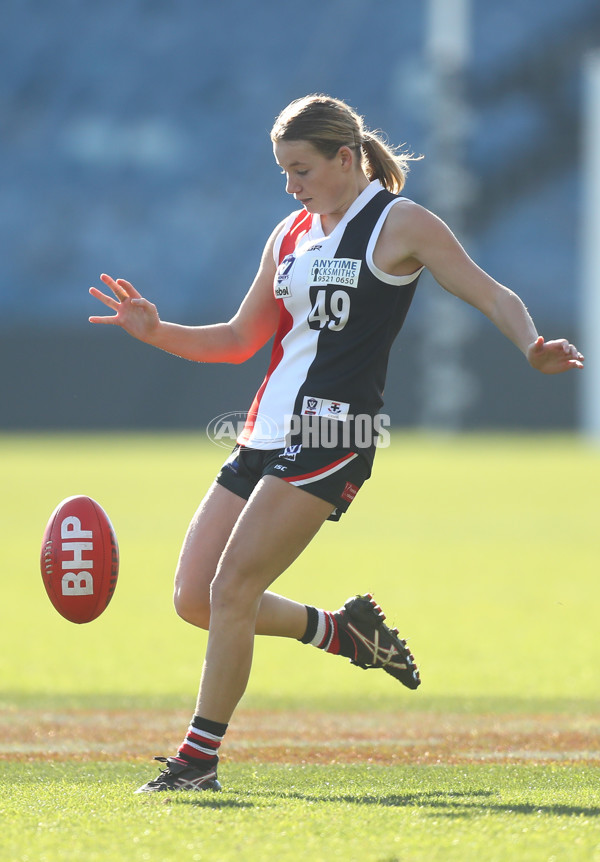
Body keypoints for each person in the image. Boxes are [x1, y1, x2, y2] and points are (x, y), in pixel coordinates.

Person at [89, 94, 584, 793]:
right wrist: (157, 331)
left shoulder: (399, 223)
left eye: (302, 169)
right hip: (264, 433)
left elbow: (492, 293)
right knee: (196, 598)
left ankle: (197, 763)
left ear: (345, 159)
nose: (291, 186)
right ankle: (342, 632)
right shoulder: (289, 234)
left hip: (333, 434)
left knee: (233, 589)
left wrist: (531, 344)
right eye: (283, 172)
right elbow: (238, 339)